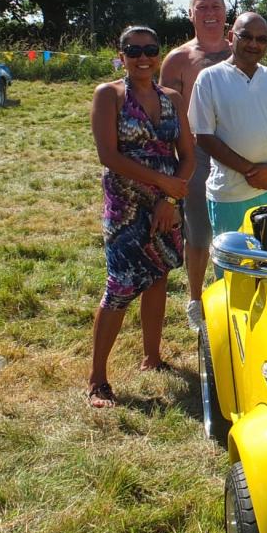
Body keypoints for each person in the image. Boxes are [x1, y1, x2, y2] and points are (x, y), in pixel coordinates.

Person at [88, 25, 195, 408]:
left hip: (166, 206)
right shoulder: (109, 95)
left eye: (150, 49)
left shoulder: (173, 98)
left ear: (159, 52)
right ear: (122, 55)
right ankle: (98, 379)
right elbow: (109, 156)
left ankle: (153, 356)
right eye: (134, 51)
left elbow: (189, 154)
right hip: (126, 208)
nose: (143, 57)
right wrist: (162, 183)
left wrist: (169, 196)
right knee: (119, 287)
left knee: (157, 276)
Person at [159, 0, 231, 330]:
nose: (210, 12)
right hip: (198, 156)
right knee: (199, 233)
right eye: (202, 7)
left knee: (237, 226)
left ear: (226, 11)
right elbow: (166, 116)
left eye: (216, 5)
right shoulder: (179, 59)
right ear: (191, 14)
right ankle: (196, 300)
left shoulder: (241, 50)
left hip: (238, 151)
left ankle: (234, 291)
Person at [188, 12, 267, 238]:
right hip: (230, 194)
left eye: (261, 39)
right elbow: (204, 136)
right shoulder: (209, 79)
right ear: (231, 37)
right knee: (234, 267)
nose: (254, 44)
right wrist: (250, 171)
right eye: (246, 36)